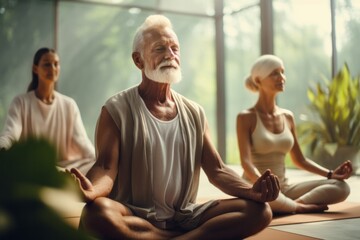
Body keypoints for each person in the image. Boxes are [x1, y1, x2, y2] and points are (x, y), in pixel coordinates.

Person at [69, 15, 281, 240]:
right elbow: (104, 167)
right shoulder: (116, 108)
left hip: (185, 215)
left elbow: (217, 170)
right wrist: (91, 190)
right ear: (138, 60)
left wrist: (251, 191)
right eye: (160, 48)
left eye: (175, 48)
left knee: (259, 211)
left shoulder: (195, 112)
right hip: (135, 213)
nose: (170, 55)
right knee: (97, 214)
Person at [236, 54, 353, 214]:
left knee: (341, 187)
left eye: (282, 72)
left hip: (284, 188)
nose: (281, 77)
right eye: (274, 73)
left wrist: (331, 174)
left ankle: (293, 205)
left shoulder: (287, 116)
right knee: (265, 198)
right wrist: (262, 184)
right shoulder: (245, 117)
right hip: (256, 187)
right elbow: (246, 163)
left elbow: (300, 160)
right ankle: (288, 205)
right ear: (258, 80)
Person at [0, 47, 95, 174]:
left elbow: (82, 141)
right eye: (47, 64)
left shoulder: (69, 105)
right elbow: (10, 134)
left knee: (93, 163)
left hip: (63, 168)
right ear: (35, 68)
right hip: (32, 167)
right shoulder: (21, 102)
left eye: (56, 64)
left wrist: (99, 160)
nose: (52, 68)